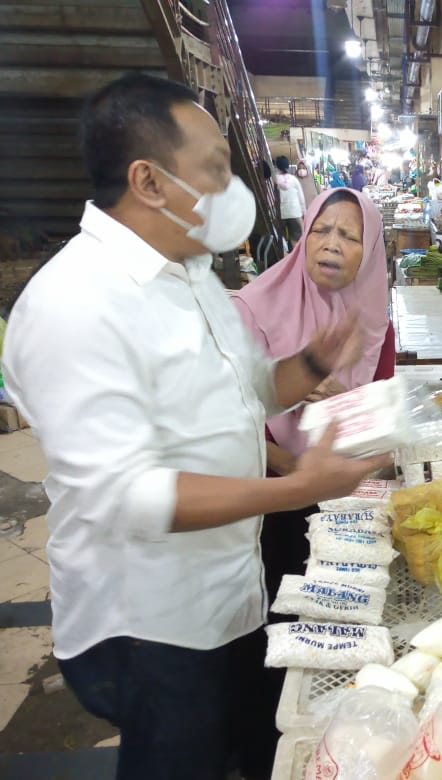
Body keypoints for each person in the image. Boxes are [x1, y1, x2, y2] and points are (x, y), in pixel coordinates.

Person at [0, 72, 387, 780]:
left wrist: (307, 364)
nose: (230, 185)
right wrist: (297, 488)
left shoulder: (193, 276)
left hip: (229, 596)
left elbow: (247, 393)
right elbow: (129, 497)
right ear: (149, 181)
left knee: (239, 751)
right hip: (151, 628)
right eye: (214, 167)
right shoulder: (75, 306)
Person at [231, 186, 393, 599]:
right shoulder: (251, 310)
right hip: (266, 499)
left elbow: (383, 428)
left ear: (370, 250)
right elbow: (227, 421)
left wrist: (346, 402)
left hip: (346, 499)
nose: (332, 245)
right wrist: (293, 471)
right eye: (322, 230)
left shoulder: (374, 325)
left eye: (350, 237)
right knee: (274, 607)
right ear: (304, 237)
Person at [274, 154, 306, 247]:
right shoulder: (294, 179)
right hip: (294, 212)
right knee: (296, 240)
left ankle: (284, 258)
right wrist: (304, 211)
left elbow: (270, 197)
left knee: (281, 241)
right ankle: (296, 259)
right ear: (287, 166)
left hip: (280, 214)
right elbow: (301, 198)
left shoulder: (275, 180)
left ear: (277, 166)